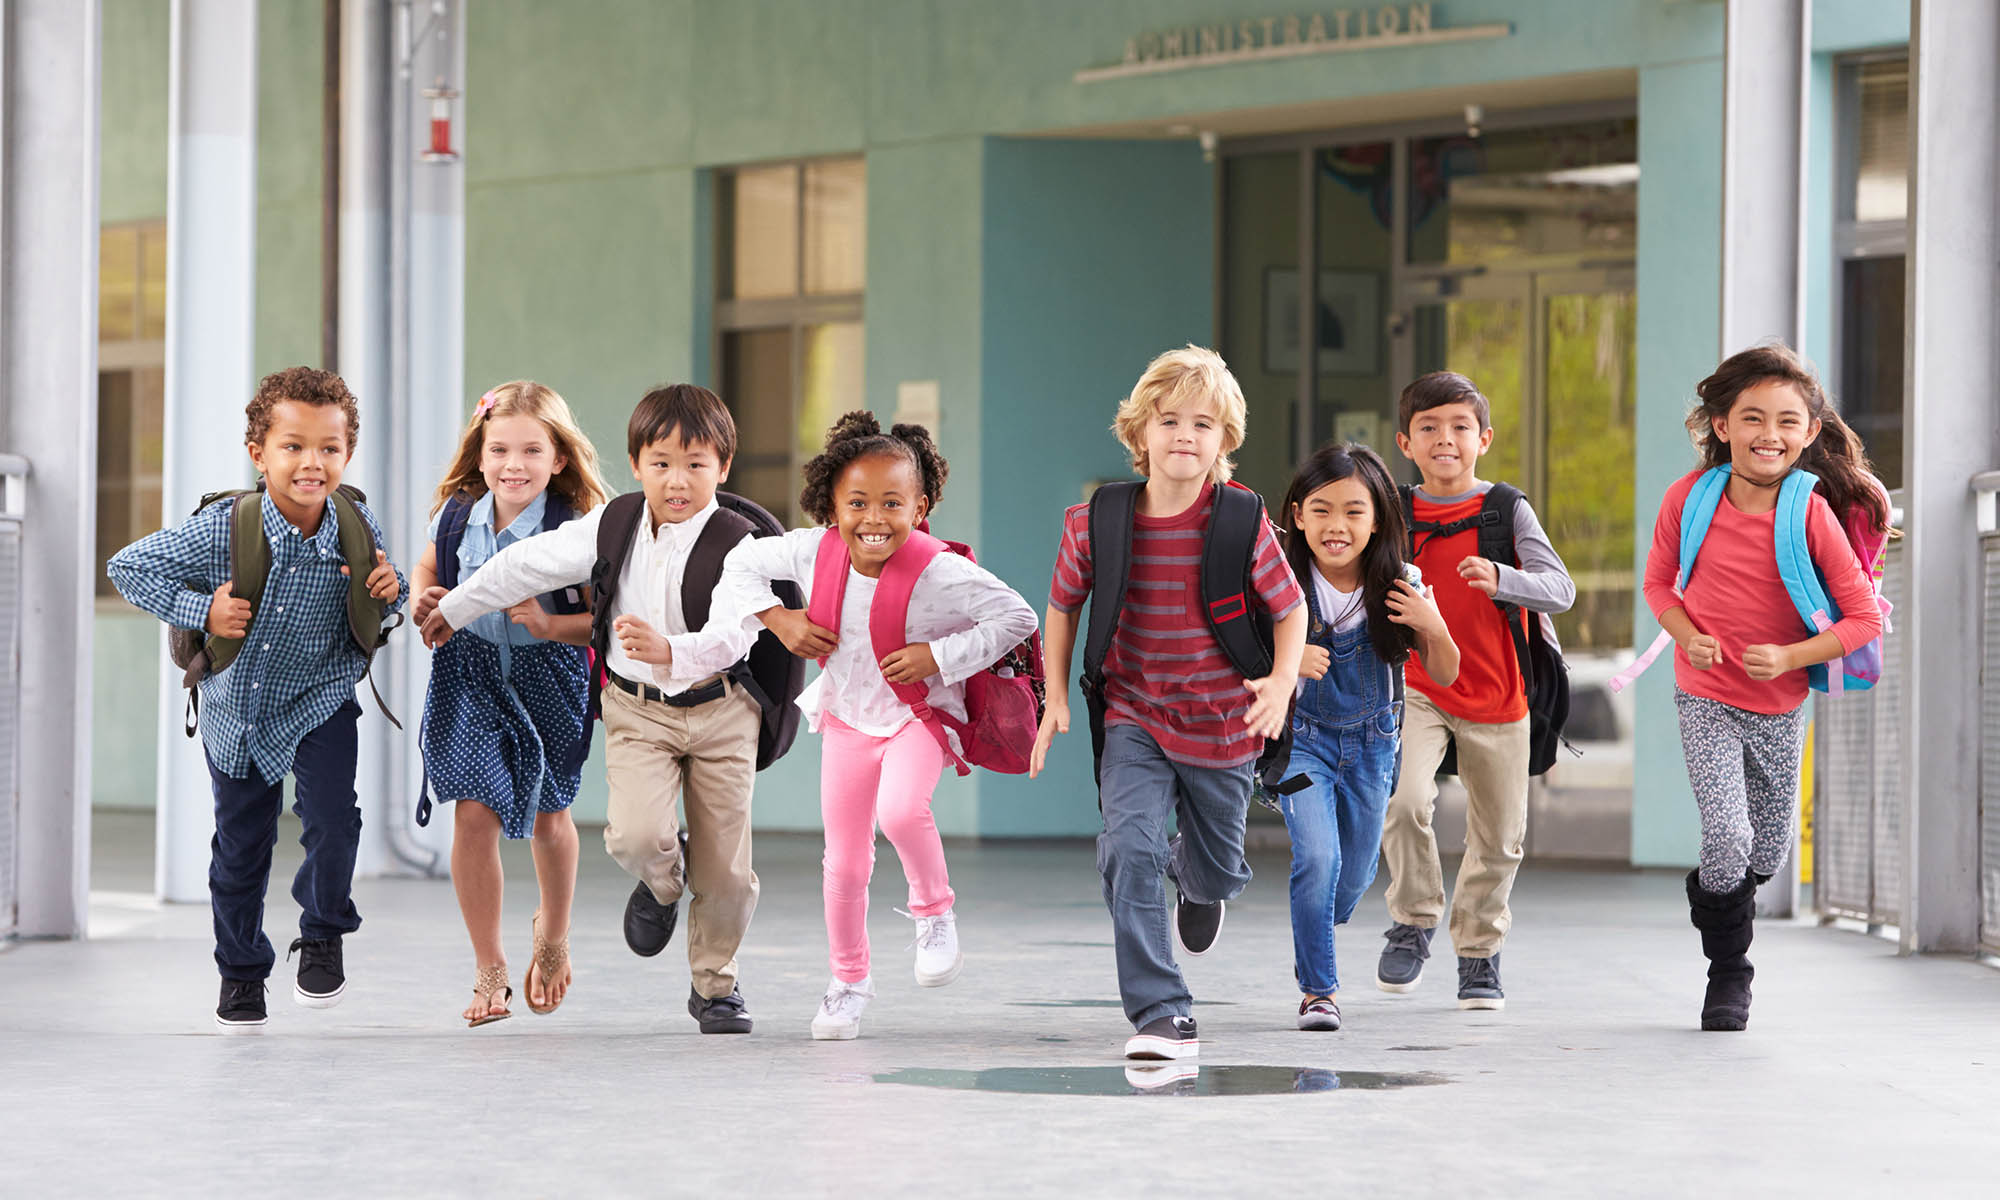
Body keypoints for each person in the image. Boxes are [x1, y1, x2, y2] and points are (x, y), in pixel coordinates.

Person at [420, 383, 771, 1034]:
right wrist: (451, 608)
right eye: (661, 463)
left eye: (697, 464)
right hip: (637, 709)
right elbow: (522, 566)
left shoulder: (740, 543)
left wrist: (672, 649)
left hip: (720, 709)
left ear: (724, 467)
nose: (677, 480)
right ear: (636, 464)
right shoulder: (611, 526)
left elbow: (738, 634)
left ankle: (715, 988)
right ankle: (662, 882)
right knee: (634, 835)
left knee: (727, 873)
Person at [694, 411, 1037, 1041]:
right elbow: (740, 563)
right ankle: (848, 983)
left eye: (891, 503)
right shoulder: (810, 551)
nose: (873, 519)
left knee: (902, 812)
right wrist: (780, 620)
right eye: (857, 503)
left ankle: (935, 913)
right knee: (844, 866)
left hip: (917, 716)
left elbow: (1016, 617)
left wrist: (939, 657)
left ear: (921, 505)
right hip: (849, 720)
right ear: (831, 504)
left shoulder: (940, 571)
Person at [107, 366, 407, 1032]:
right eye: (293, 446)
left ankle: (323, 928)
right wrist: (200, 610)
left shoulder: (355, 521)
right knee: (242, 850)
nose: (312, 462)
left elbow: (388, 590)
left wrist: (392, 586)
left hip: (322, 692)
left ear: (346, 453)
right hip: (237, 709)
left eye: (329, 448)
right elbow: (127, 566)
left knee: (335, 817)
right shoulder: (223, 527)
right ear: (258, 454)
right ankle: (241, 973)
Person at [1031, 345, 1306, 1061]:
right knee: (1128, 847)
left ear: (1225, 442)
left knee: (1218, 865)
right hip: (1135, 715)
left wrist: (1279, 684)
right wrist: (1056, 694)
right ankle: (1160, 1010)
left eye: (1204, 424)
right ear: (1139, 432)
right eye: (1170, 420)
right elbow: (1063, 606)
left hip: (1223, 722)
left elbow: (1290, 608)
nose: (1186, 435)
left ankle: (1201, 880)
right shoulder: (1098, 519)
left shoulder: (1241, 521)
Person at [1643, 344, 1884, 1031]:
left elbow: (1863, 617)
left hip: (1781, 704)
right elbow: (1659, 584)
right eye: (1751, 418)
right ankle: (1729, 974)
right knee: (1726, 835)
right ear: (1720, 425)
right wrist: (1687, 635)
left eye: (1786, 421)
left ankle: (1724, 907)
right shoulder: (1688, 499)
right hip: (1705, 694)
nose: (1768, 435)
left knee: (1764, 856)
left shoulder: (1810, 511)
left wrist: (1789, 658)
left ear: (1809, 433)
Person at [410, 381, 612, 1025]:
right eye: (499, 449)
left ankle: (552, 934)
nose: (513, 465)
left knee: (553, 815)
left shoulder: (576, 528)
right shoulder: (454, 516)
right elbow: (426, 569)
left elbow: (609, 621)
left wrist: (553, 626)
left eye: (531, 450)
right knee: (473, 814)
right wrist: (424, 594)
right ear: (480, 452)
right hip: (468, 673)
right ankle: (489, 967)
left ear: (559, 459)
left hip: (549, 675)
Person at [1377, 370, 1575, 1011]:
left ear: (1483, 438)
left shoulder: (1506, 509)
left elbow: (1561, 589)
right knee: (1404, 801)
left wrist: (1502, 576)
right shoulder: (1394, 511)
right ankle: (1413, 919)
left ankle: (1479, 954)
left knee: (1499, 837)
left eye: (1460, 427)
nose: (1445, 439)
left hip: (1498, 693)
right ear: (1405, 442)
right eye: (1429, 428)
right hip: (1416, 685)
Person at [1273, 442, 1458, 1032]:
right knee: (1317, 859)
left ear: (1377, 517)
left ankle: (1320, 920)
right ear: (1298, 515)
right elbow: (1240, 656)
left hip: (1374, 748)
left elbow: (1448, 670)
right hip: (1303, 741)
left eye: (1354, 511)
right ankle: (1318, 992)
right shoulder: (1278, 577)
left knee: (1350, 879)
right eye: (1321, 509)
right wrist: (1286, 660)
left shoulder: (1401, 581)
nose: (1337, 526)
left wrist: (1432, 625)